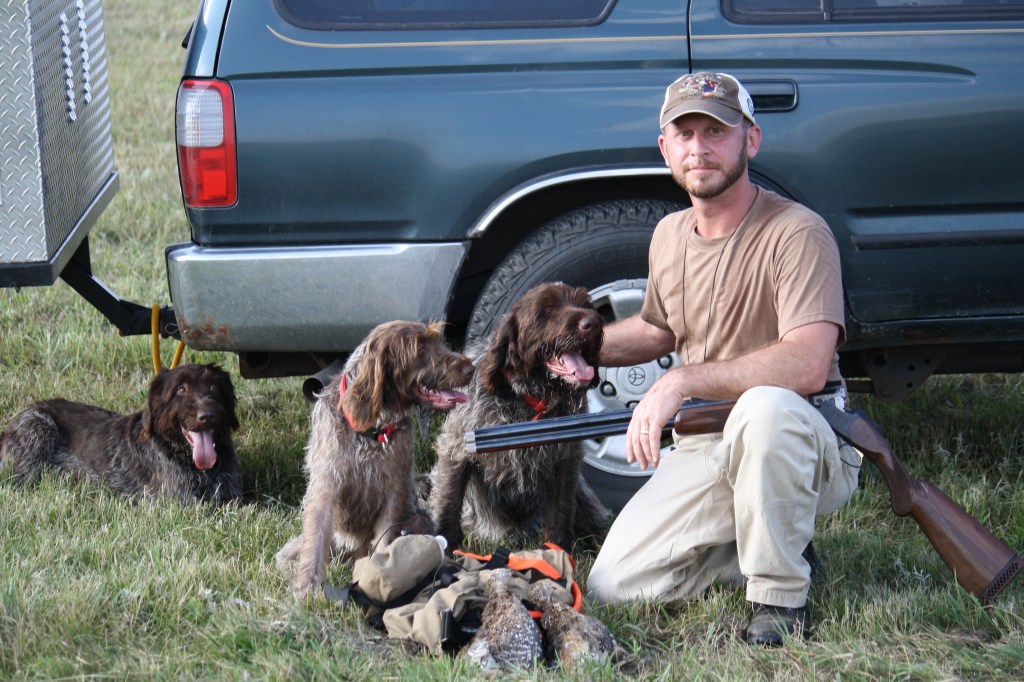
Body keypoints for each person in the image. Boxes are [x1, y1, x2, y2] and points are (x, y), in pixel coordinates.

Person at [585, 72, 861, 647]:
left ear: (750, 140)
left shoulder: (797, 232)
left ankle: (779, 600)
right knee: (615, 585)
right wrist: (583, 349)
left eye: (716, 130)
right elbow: (659, 329)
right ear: (665, 148)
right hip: (709, 439)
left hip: (803, 433)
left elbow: (808, 363)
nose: (699, 147)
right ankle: (770, 537)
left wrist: (682, 381)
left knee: (764, 409)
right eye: (684, 133)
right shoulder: (668, 234)